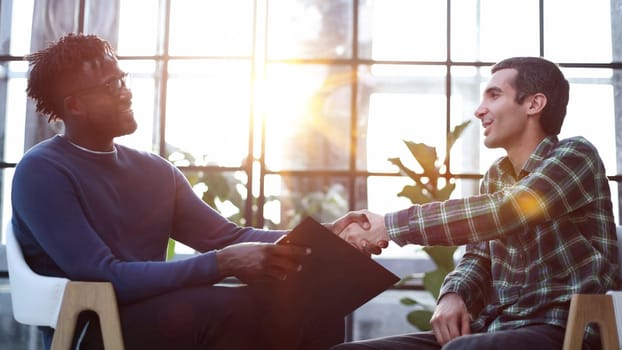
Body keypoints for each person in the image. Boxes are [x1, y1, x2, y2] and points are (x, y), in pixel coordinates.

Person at [11, 33, 364, 350]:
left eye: (122, 78)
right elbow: (102, 274)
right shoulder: (43, 171)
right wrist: (220, 264)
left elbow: (229, 236)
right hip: (94, 328)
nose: (126, 90)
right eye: (110, 85)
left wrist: (326, 235)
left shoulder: (155, 170)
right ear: (75, 105)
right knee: (231, 310)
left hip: (163, 315)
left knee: (316, 304)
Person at [330, 57, 619, 350]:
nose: (479, 110)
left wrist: (389, 226)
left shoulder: (576, 156)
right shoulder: (496, 176)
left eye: (494, 95)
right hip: (493, 328)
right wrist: (452, 294)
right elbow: (478, 257)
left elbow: (507, 211)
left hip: (561, 329)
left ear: (534, 104)